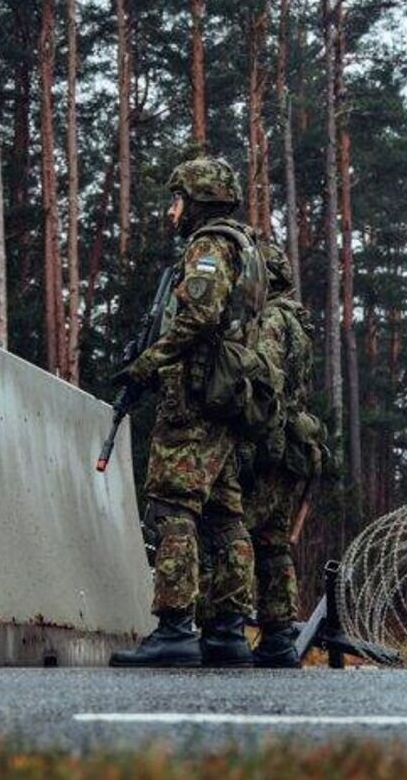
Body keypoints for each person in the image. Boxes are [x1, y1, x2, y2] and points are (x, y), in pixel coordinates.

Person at [109, 157, 267, 668]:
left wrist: (145, 365)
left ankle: (176, 628)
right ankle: (226, 632)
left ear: (198, 200)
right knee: (224, 516)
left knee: (173, 506)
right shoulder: (244, 247)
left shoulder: (209, 247)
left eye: (178, 199)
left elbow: (197, 316)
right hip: (223, 400)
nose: (172, 210)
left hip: (195, 401)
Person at [239, 240, 323, 668]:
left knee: (238, 532)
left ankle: (230, 628)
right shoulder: (298, 323)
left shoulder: (271, 320)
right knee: (273, 544)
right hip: (290, 446)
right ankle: (278, 635)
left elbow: (264, 378)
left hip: (269, 444)